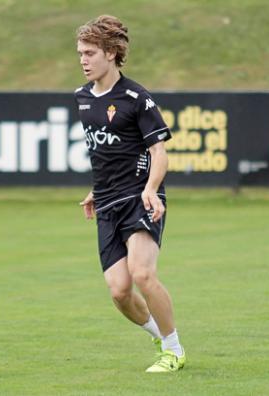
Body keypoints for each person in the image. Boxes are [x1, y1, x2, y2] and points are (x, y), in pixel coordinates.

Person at [74, 15, 186, 373]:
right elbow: (105, 152)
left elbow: (159, 153)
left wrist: (151, 190)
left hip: (140, 197)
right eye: (80, 53)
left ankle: (174, 350)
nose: (83, 60)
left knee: (142, 273)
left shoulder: (137, 98)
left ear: (110, 53)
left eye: (90, 52)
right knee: (119, 292)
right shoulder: (82, 98)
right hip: (107, 202)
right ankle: (159, 336)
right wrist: (96, 189)